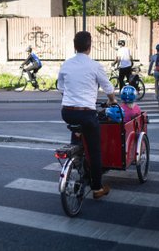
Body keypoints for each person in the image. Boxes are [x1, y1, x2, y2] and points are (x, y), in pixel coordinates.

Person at [57, 31, 116, 199]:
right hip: (87, 114)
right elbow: (108, 88)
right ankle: (97, 188)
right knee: (95, 150)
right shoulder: (95, 66)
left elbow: (61, 87)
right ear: (89, 47)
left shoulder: (66, 64)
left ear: (75, 47)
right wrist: (112, 100)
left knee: (77, 134)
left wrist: (71, 98)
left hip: (67, 112)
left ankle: (76, 160)